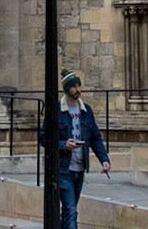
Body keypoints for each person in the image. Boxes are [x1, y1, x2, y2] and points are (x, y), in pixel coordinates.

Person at [48, 72, 109, 229]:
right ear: (67, 88)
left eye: (79, 85)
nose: (78, 89)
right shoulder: (56, 111)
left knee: (69, 211)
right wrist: (63, 145)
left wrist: (104, 159)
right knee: (71, 210)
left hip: (79, 169)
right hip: (63, 170)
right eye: (74, 86)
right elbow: (44, 138)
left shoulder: (86, 111)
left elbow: (95, 137)